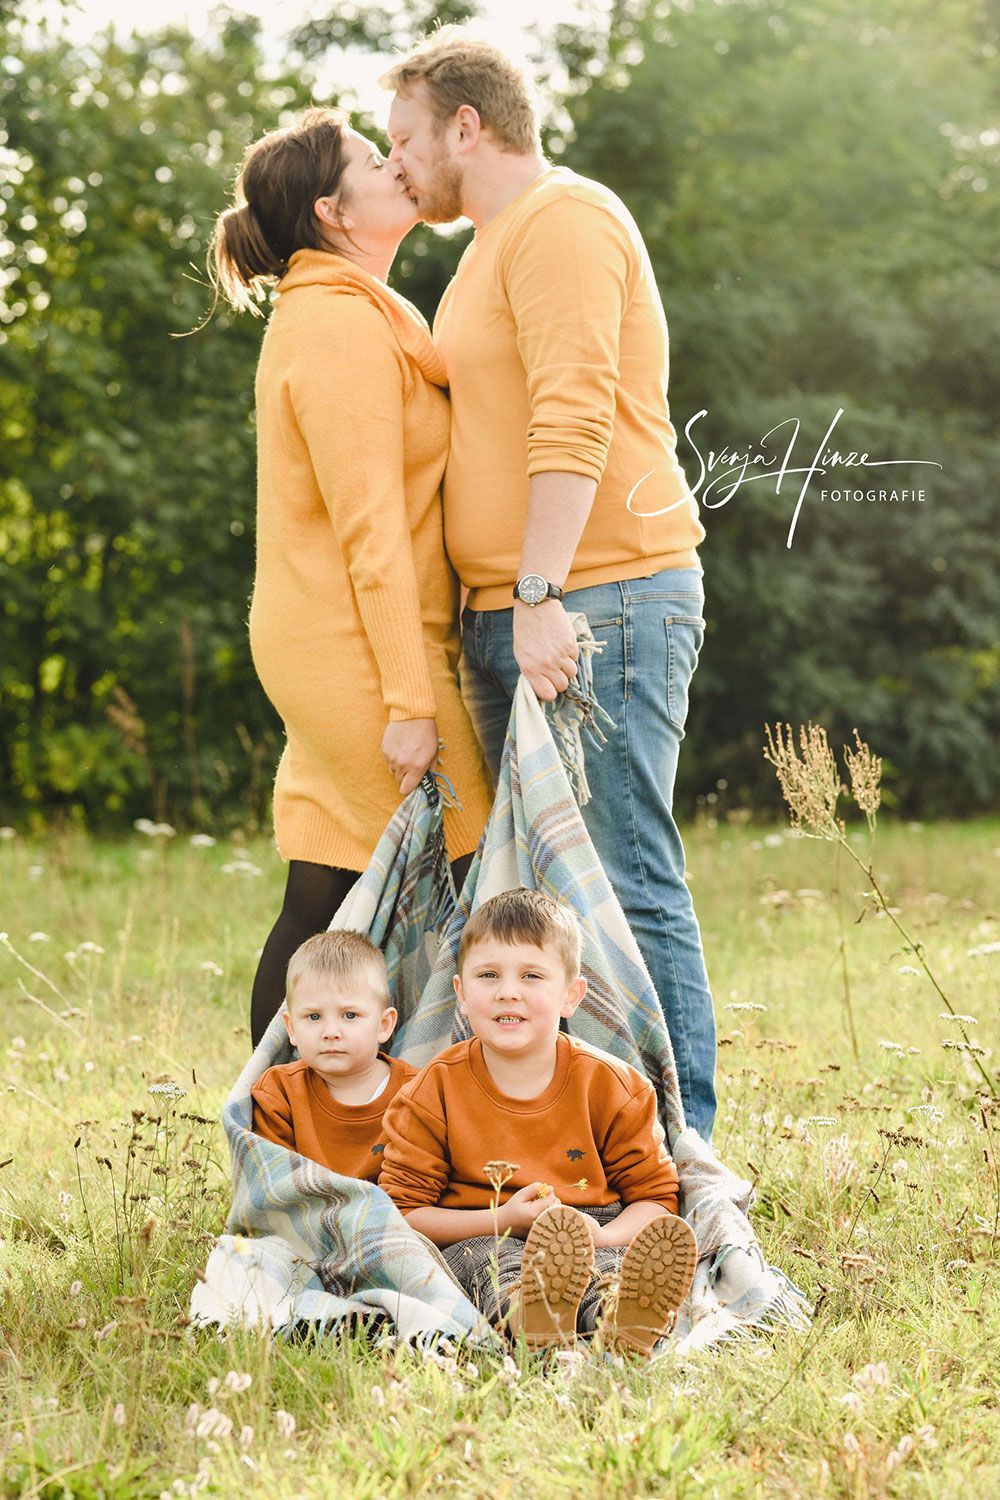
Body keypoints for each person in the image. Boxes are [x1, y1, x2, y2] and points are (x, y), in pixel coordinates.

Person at [381, 34, 718, 1142]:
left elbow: (574, 410)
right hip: (509, 609)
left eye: (405, 142)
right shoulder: (482, 250)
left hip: (596, 598)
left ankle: (684, 1155)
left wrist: (536, 591)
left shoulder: (564, 219)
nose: (398, 169)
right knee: (530, 906)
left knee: (620, 878)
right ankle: (575, 1148)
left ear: (465, 127)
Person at [209, 108, 494, 1049]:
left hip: (356, 632)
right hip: (352, 647)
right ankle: (451, 1129)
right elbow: (368, 530)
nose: (396, 164)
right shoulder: (335, 327)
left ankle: (279, 1133)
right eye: (376, 159)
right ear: (334, 209)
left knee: (324, 888)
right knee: (471, 868)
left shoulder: (362, 308)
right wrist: (409, 700)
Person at [378, 890, 697, 1355]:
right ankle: (529, 1316)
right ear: (461, 994)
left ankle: (620, 1319)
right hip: (481, 1229)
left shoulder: (613, 1086)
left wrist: (603, 1235)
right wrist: (501, 1218)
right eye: (488, 975)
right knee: (487, 1268)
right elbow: (403, 1214)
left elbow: (656, 1198)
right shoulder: (433, 1092)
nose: (508, 991)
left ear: (571, 995)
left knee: (608, 1268)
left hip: (594, 1226)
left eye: (531, 975)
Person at [251, 929, 418, 1178]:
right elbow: (271, 1186)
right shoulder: (278, 1093)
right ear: (291, 1028)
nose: (330, 1032)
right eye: (314, 1017)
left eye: (350, 1015)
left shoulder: (417, 1093)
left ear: (384, 1025)